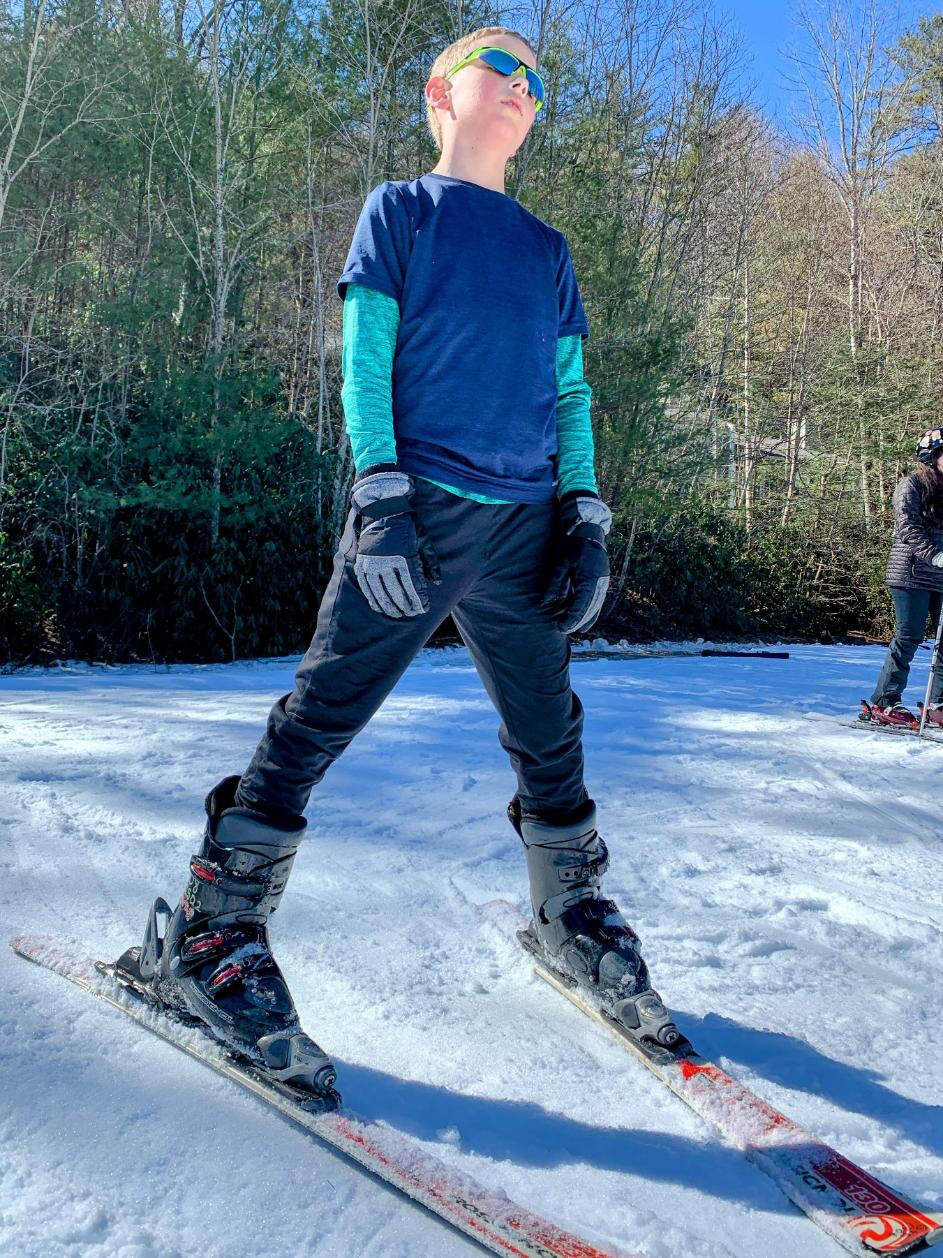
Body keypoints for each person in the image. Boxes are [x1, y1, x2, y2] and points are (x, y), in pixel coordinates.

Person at [136, 26, 680, 1094]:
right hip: (418, 513)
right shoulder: (401, 210)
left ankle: (569, 910)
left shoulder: (546, 247)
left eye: (537, 81)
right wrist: (379, 489)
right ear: (441, 92)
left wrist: (585, 514)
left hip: (526, 529)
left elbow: (569, 390)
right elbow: (366, 359)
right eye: (502, 68)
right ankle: (211, 935)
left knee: (549, 729)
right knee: (322, 710)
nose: (525, 86)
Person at [868, 428, 943, 728]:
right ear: (932, 456)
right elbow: (908, 527)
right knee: (910, 634)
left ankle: (938, 702)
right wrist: (934, 555)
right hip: (911, 574)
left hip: (940, 576)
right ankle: (885, 699)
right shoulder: (911, 485)